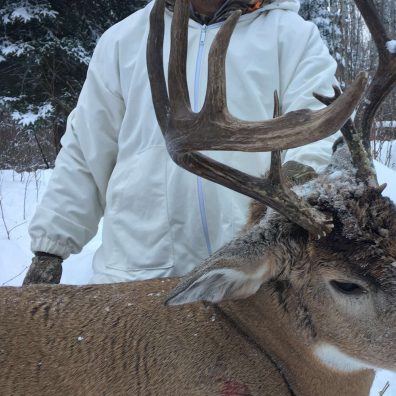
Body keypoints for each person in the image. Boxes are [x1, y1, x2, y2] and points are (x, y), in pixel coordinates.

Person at [23, 0, 339, 285]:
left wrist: (302, 174)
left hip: (248, 274)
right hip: (137, 273)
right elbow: (86, 150)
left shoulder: (291, 37)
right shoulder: (124, 40)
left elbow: (317, 126)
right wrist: (49, 248)